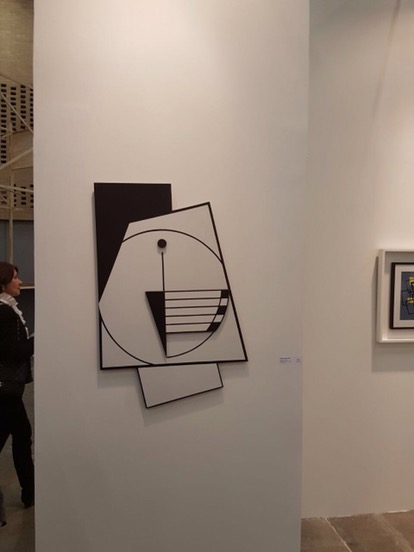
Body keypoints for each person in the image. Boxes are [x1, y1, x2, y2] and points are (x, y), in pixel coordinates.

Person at [0, 262, 34, 509]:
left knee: (21, 435)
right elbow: (12, 352)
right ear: (3, 283)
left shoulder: (6, 309)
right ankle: (30, 492)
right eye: (15, 277)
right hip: (7, 390)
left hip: (7, 389)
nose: (19, 281)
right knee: (21, 435)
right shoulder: (4, 313)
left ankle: (30, 492)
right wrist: (38, 340)